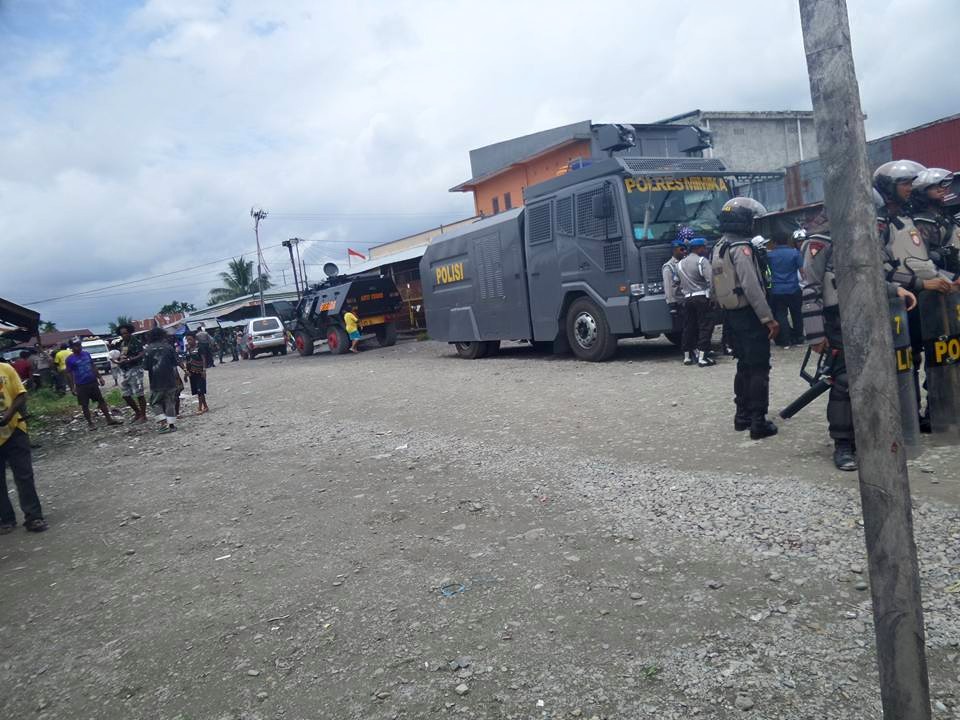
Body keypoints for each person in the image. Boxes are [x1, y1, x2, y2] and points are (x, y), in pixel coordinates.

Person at [799, 220, 918, 470]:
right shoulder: (820, 242)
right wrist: (815, 334)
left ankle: (870, 435)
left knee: (874, 377)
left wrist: (895, 290)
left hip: (868, 316)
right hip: (837, 321)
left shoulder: (859, 236)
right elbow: (810, 287)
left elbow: (866, 276)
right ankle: (843, 444)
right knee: (843, 381)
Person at [711, 197, 779, 440]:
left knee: (743, 366)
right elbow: (752, 286)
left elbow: (714, 286)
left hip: (731, 315)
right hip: (750, 315)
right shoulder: (741, 248)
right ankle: (758, 421)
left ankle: (742, 416)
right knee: (759, 367)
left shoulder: (719, 247)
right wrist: (767, 318)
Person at [0, 361, 47, 533]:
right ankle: (6, 519)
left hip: (14, 430)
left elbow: (20, 394)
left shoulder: (5, 369)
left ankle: (33, 517)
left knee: (24, 475)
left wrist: (8, 414)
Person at [908, 168, 960, 275]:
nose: (942, 189)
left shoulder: (944, 215)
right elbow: (923, 258)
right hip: (944, 275)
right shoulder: (921, 221)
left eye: (943, 186)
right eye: (935, 187)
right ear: (921, 191)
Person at [65, 338, 122, 431]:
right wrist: (72, 387)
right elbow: (69, 373)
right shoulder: (70, 359)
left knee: (101, 401)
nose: (78, 347)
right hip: (81, 385)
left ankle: (109, 419)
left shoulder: (86, 354)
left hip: (92, 382)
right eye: (76, 346)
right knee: (85, 405)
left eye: (79, 345)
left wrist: (100, 377)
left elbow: (92, 366)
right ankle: (90, 423)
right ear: (71, 347)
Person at [677, 237, 715, 367]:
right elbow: (711, 280)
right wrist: (713, 297)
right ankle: (703, 357)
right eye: (704, 247)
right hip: (701, 297)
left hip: (687, 298)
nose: (705, 250)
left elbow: (677, 282)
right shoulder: (702, 261)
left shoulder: (680, 264)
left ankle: (687, 356)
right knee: (705, 326)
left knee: (689, 327)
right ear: (698, 249)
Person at [766, 236, 804, 346]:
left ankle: (786, 340)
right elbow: (802, 271)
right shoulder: (795, 253)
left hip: (777, 289)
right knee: (797, 314)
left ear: (774, 242)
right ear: (788, 241)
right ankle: (799, 338)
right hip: (794, 288)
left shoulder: (770, 255)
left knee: (781, 315)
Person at [143, 327, 180, 433]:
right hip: (170, 379)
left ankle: (163, 424)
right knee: (170, 402)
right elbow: (175, 362)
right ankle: (171, 425)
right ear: (163, 335)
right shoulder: (168, 347)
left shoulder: (148, 350)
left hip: (156, 381)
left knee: (155, 402)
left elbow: (145, 367)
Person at [117, 324, 148, 424]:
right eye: (122, 334)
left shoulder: (136, 341)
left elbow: (142, 353)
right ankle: (137, 412)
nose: (124, 335)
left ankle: (143, 415)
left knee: (139, 393)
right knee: (125, 394)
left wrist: (131, 359)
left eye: (125, 333)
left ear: (130, 332)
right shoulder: (123, 343)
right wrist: (119, 360)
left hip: (135, 368)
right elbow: (122, 354)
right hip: (125, 369)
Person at [662, 237, 687, 345]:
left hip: (687, 300)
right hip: (678, 302)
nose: (684, 251)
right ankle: (687, 350)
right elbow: (668, 287)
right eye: (681, 249)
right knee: (683, 329)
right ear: (674, 250)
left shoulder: (685, 263)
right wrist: (672, 305)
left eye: (685, 249)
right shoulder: (669, 267)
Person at [184, 334, 209, 414]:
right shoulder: (188, 349)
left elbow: (203, 359)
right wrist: (186, 373)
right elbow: (187, 361)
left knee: (200, 390)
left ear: (195, 339)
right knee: (197, 391)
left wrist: (204, 370)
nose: (189, 341)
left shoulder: (199, 348)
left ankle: (200, 408)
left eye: (190, 339)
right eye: (187, 340)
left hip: (200, 372)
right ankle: (205, 406)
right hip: (191, 373)